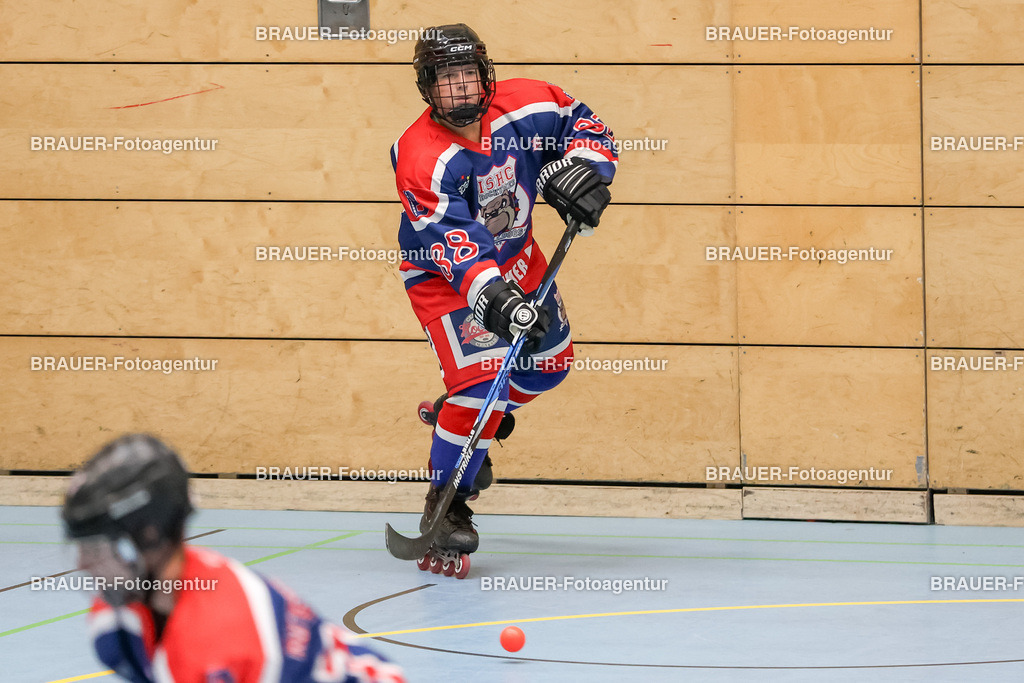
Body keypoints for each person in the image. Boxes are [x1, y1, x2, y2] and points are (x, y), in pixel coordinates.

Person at [390, 23, 617, 576]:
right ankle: (447, 505)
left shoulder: (527, 103)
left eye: (468, 74)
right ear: (427, 86)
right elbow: (455, 245)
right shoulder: (420, 156)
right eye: (447, 77)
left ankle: (463, 423)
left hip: (521, 258)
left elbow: (585, 123)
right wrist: (497, 298)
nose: (460, 88)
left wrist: (587, 169)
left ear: (485, 74)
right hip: (445, 277)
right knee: (477, 384)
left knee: (548, 365)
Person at [62, 433, 405, 683]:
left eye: (97, 548)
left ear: (150, 537)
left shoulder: (220, 645)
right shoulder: (117, 618)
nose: (82, 565)